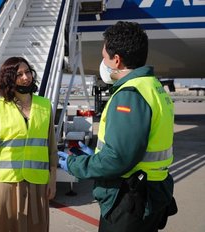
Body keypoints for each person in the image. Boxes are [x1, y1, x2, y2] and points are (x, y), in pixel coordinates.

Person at [58, 21, 177, 232]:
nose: (103, 62)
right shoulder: (153, 87)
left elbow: (118, 159)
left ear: (117, 60)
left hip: (130, 198)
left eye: (104, 57)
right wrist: (96, 154)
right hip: (152, 189)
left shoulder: (129, 95)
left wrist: (77, 165)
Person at [0, 57, 57, 232]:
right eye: (19, 74)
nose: (25, 77)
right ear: (9, 78)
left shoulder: (45, 106)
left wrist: (52, 180)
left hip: (37, 182)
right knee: (3, 226)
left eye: (28, 72)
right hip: (5, 183)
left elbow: (51, 148)